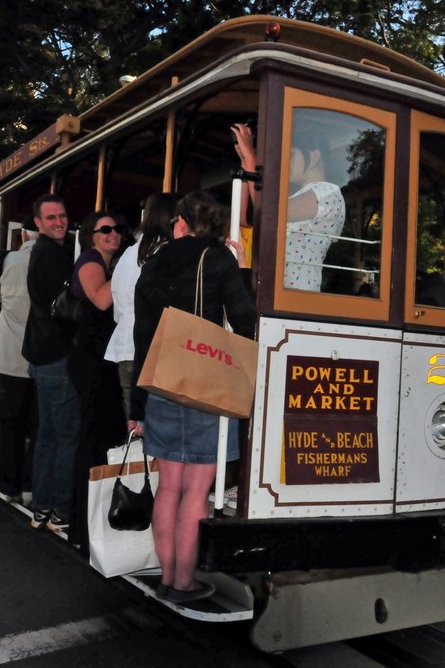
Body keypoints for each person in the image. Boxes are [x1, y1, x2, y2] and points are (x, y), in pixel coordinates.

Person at [131, 191, 256, 603]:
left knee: (169, 487)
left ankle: (167, 577)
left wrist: (137, 404)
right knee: (196, 492)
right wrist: (241, 272)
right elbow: (245, 322)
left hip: (162, 381)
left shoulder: (153, 263)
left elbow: (142, 335)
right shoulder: (218, 259)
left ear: (180, 221)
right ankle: (185, 582)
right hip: (206, 383)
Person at [66, 212, 129, 551]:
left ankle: (87, 526)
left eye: (116, 228)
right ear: (90, 236)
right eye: (105, 229)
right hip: (92, 362)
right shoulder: (91, 260)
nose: (113, 233)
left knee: (98, 439)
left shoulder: (108, 263)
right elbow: (102, 299)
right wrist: (130, 268)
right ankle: (84, 528)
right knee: (94, 440)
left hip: (99, 360)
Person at [231, 120, 344, 291]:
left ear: (314, 157)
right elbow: (248, 216)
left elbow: (270, 212)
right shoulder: (300, 196)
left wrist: (251, 157)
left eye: (292, 155)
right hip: (281, 290)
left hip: (296, 295)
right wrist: (246, 162)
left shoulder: (328, 193)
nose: (287, 162)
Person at [22, 194, 79, 532]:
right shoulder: (53, 255)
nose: (59, 222)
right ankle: (60, 509)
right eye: (51, 218)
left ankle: (42, 506)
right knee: (65, 435)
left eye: (62, 215)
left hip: (41, 355)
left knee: (48, 435)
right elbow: (65, 309)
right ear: (39, 224)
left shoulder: (46, 251)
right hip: (56, 356)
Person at [104, 193, 175, 421]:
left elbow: (117, 306)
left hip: (125, 348)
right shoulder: (168, 253)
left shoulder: (128, 254)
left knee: (135, 428)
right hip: (155, 353)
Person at [0, 215, 39, 503]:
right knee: (37, 427)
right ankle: (31, 485)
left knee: (10, 426)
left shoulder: (5, 262)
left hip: (7, 357)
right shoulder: (59, 261)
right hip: (40, 359)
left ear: (23, 236)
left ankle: (10, 485)